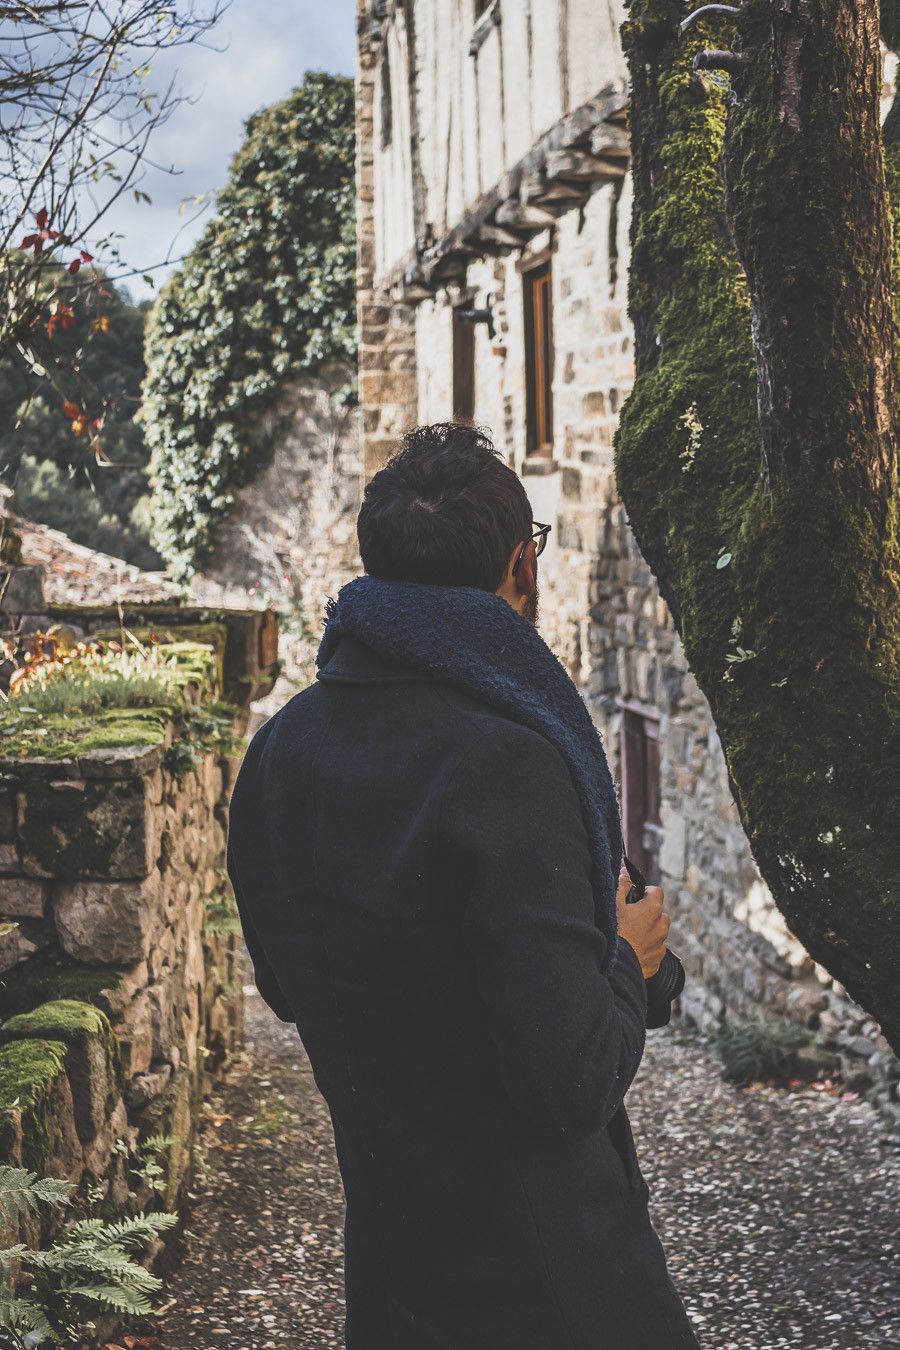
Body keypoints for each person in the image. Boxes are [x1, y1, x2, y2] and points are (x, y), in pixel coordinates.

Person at [227, 423, 700, 1349]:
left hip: (397, 1261)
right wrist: (626, 959)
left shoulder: (277, 754)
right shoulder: (511, 765)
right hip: (550, 1281)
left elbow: (286, 986)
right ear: (521, 567)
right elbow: (569, 1081)